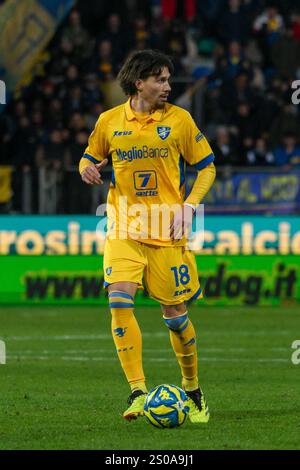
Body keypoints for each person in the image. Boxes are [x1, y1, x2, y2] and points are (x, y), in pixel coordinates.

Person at [79, 50, 216, 423]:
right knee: (119, 301)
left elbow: (207, 168)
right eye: (161, 79)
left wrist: (189, 207)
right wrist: (87, 168)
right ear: (139, 82)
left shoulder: (180, 121)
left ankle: (193, 390)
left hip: (167, 233)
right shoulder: (109, 121)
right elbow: (88, 156)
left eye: (169, 79)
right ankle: (138, 391)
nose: (168, 86)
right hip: (123, 227)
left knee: (174, 315)